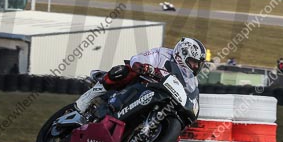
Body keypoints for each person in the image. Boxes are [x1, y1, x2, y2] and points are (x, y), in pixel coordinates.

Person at [71, 37, 207, 121]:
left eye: (198, 64)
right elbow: (138, 58)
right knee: (124, 71)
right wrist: (143, 66)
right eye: (193, 62)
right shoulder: (162, 53)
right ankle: (86, 99)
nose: (195, 66)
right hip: (140, 84)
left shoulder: (191, 79)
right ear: (182, 54)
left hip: (160, 96)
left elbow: (190, 91)